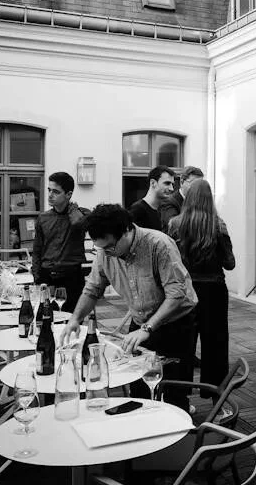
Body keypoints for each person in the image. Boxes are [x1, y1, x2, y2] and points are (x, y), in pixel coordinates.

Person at [60, 203, 198, 410]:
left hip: (175, 323)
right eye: (101, 249)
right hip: (140, 321)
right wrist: (75, 319)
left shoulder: (159, 244)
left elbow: (176, 294)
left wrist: (147, 328)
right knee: (138, 387)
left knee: (173, 390)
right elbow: (92, 289)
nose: (106, 253)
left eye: (110, 247)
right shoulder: (106, 252)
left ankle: (179, 424)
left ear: (126, 231)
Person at [167, 179, 234, 392]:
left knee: (183, 343)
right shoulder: (218, 225)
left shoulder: (174, 224)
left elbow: (169, 260)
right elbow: (230, 263)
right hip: (214, 290)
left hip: (185, 291)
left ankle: (181, 394)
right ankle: (214, 392)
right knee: (216, 343)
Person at [31, 172, 90, 312]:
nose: (50, 195)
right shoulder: (43, 218)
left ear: (68, 194)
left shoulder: (82, 214)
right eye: (49, 190)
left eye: (56, 192)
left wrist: (72, 209)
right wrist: (37, 277)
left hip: (72, 277)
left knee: (72, 319)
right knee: (47, 318)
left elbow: (78, 224)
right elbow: (37, 250)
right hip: (47, 276)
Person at [128, 165, 175, 231]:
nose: (171, 188)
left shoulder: (162, 210)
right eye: (167, 183)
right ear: (153, 183)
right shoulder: (137, 211)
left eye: (172, 184)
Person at [160, 165, 203, 233]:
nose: (197, 189)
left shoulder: (201, 202)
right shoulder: (169, 202)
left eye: (200, 186)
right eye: (194, 184)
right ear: (182, 182)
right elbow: (173, 225)